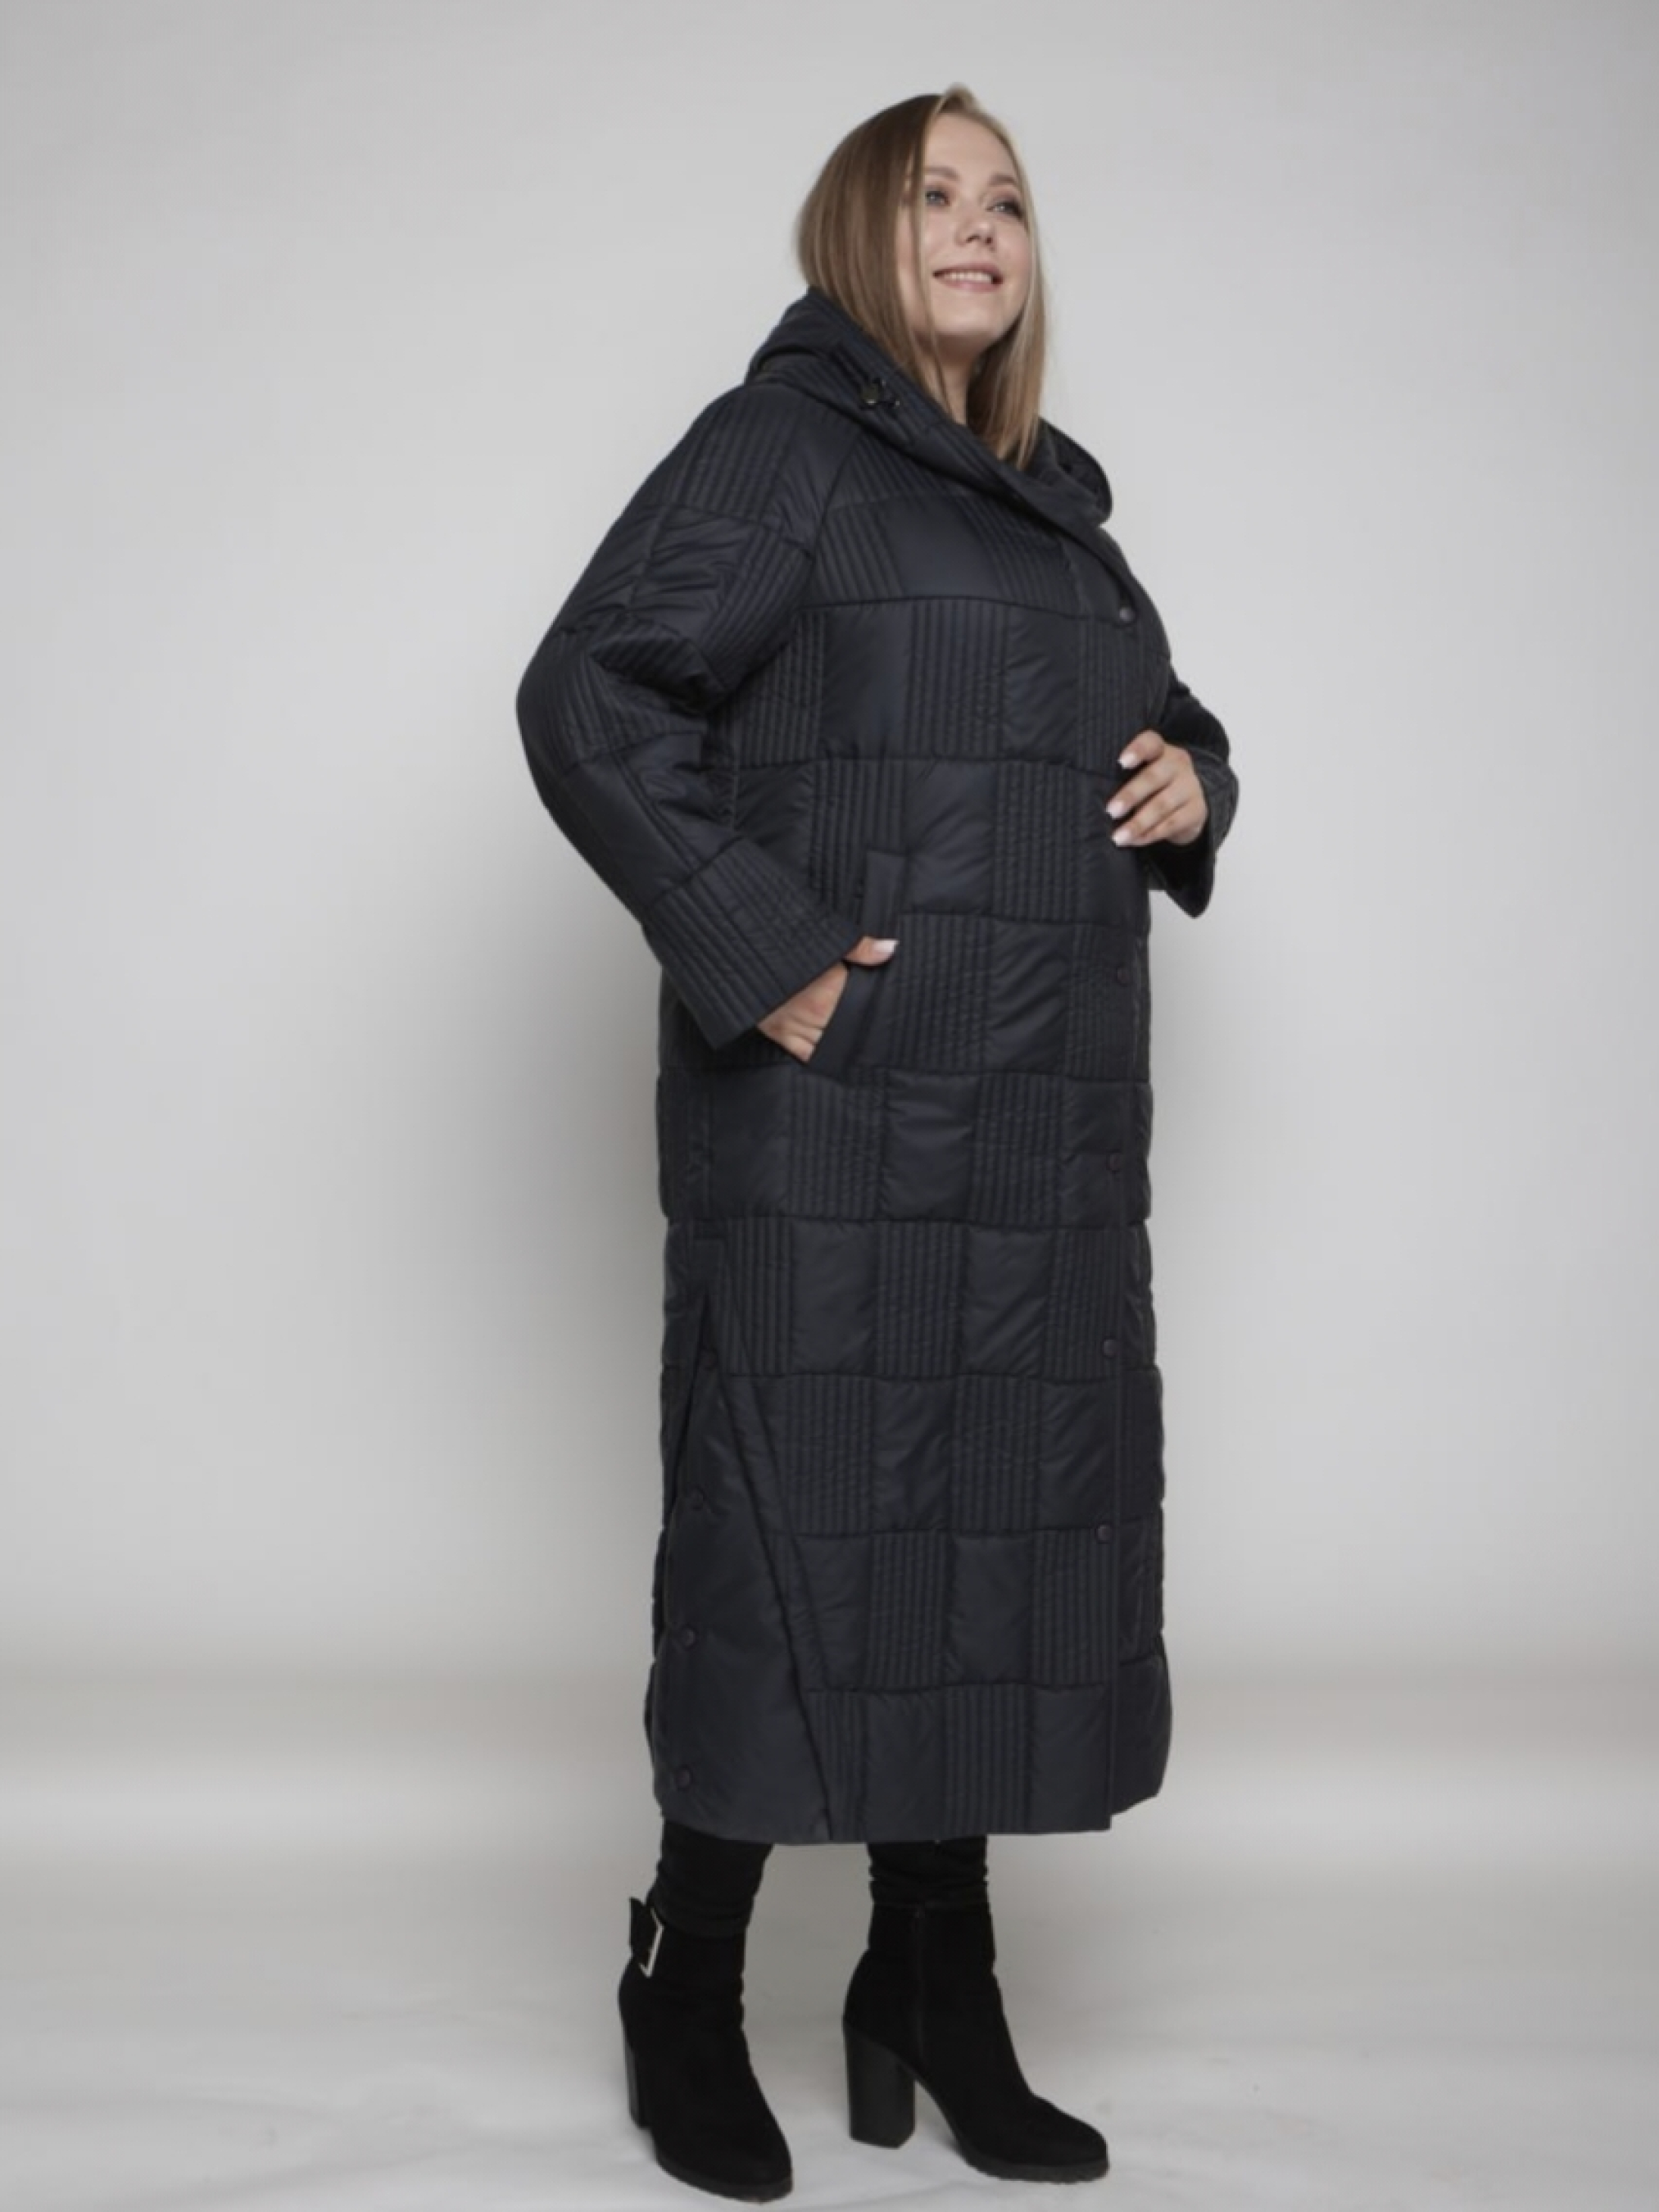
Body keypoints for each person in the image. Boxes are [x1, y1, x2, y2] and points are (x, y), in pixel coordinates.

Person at [515, 84, 1238, 2202]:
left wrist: (1197, 772)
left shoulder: (1044, 496)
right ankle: (688, 1979)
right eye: (935, 194)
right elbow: (590, 694)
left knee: (986, 1546)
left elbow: (1126, 718)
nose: (980, 226)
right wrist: (771, 959)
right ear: (858, 228)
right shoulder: (782, 449)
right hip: (837, 1119)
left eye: (1007, 198)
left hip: (1035, 1129)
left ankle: (932, 1976)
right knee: (791, 1537)